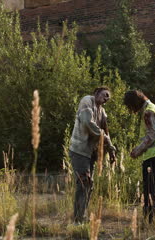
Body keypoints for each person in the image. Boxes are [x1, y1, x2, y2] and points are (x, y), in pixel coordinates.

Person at [123, 90, 155, 224]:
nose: (132, 110)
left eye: (130, 106)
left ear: (135, 103)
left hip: (154, 155)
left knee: (150, 189)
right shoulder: (154, 108)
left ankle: (151, 220)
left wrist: (137, 151)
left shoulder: (148, 112)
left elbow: (151, 135)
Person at [69, 86, 116, 223]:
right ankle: (78, 220)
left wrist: (111, 149)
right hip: (79, 150)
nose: (106, 98)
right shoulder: (86, 101)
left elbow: (105, 132)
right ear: (96, 92)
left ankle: (81, 217)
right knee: (84, 183)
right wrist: (106, 139)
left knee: (89, 184)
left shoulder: (102, 112)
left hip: (90, 153)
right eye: (105, 94)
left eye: (108, 97)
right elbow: (87, 123)